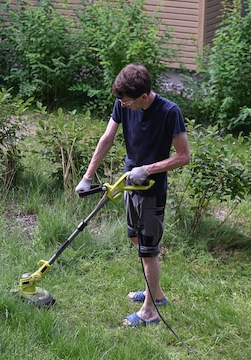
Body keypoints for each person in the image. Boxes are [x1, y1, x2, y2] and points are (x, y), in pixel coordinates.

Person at [75, 63, 191, 327]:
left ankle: (149, 311)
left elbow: (184, 156)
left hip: (151, 189)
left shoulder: (169, 112)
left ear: (143, 96)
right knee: (135, 238)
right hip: (129, 183)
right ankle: (156, 292)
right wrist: (87, 176)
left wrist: (148, 169)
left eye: (127, 101)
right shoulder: (123, 104)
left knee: (148, 251)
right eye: (121, 101)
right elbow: (107, 138)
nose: (123, 106)